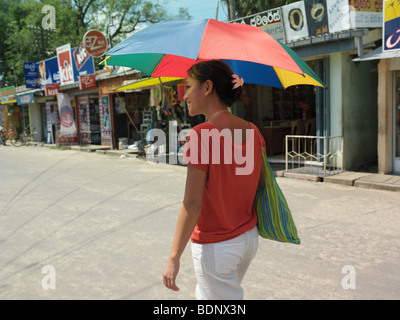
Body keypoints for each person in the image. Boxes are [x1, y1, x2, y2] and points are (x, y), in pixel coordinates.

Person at [162, 60, 265, 300]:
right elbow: (258, 185)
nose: (184, 95)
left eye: (188, 86)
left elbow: (192, 204)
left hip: (218, 245)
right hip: (247, 239)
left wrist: (173, 257)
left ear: (207, 87)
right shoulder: (253, 131)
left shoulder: (201, 135)